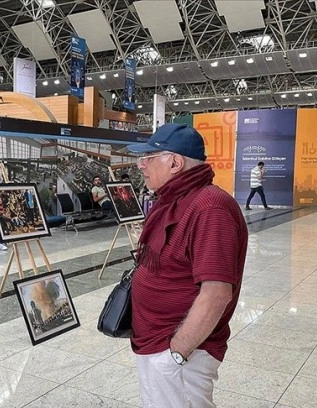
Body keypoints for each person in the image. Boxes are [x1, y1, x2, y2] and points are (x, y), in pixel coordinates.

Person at [125, 123, 248, 408]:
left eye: (148, 158)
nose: (141, 165)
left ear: (175, 163)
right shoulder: (174, 201)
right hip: (156, 342)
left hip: (183, 352)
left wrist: (176, 355)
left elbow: (216, 293)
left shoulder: (210, 207)